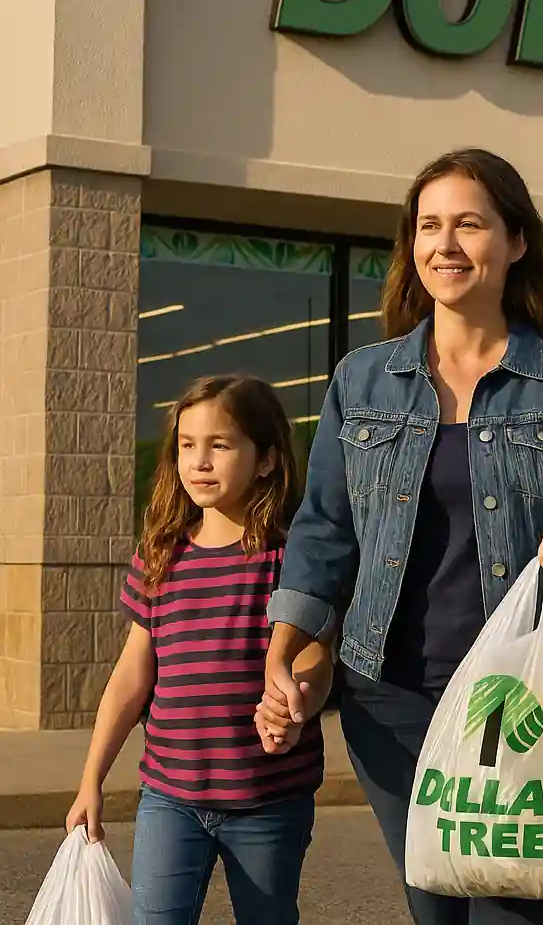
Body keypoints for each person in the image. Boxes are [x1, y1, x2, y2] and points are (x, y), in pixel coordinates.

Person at [256, 148, 543, 925]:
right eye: (429, 226)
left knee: (518, 911)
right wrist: (284, 653)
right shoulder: (361, 380)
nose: (445, 244)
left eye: (469, 224)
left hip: (526, 696)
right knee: (433, 908)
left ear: (515, 241)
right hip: (391, 697)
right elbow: (324, 535)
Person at [65, 375, 327, 925]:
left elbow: (314, 655)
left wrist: (296, 703)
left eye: (220, 445)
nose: (199, 462)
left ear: (266, 460)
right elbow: (130, 680)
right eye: (187, 445)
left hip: (268, 800)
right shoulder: (162, 554)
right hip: (169, 796)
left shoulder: (291, 558)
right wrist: (91, 780)